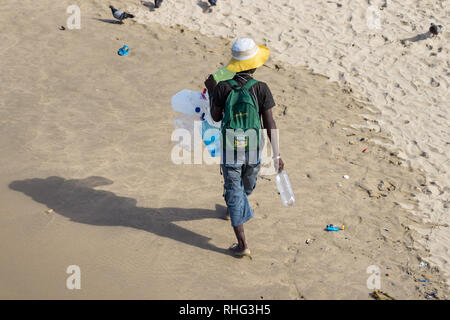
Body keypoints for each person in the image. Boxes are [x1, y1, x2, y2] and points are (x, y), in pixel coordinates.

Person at [204, 38, 284, 257]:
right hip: (253, 148)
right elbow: (270, 123)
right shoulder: (261, 88)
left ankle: (241, 245)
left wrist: (212, 92)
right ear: (255, 64)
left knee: (235, 191)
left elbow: (215, 116)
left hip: (231, 147)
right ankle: (240, 230)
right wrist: (276, 154)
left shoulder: (223, 87)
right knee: (247, 185)